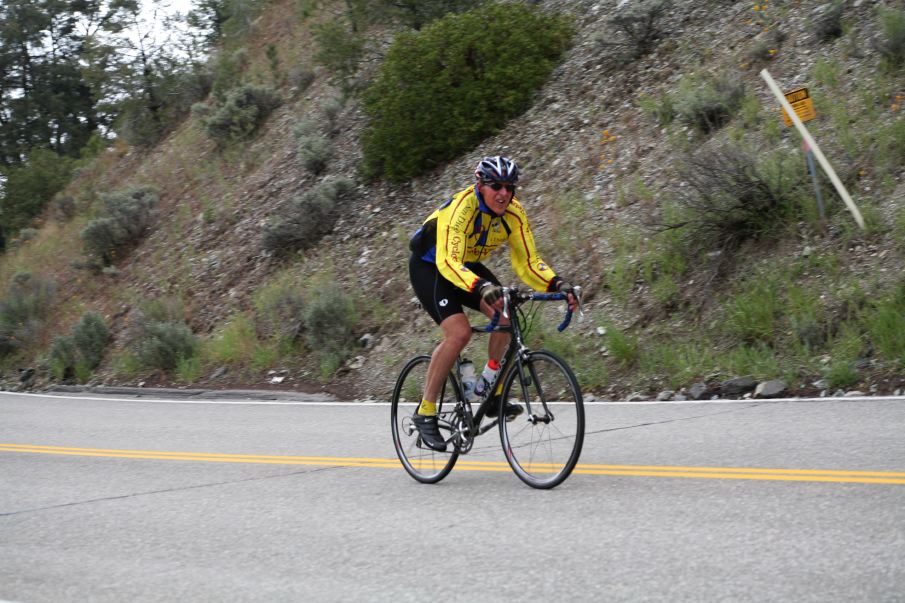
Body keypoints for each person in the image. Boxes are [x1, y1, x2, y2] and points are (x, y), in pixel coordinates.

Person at [408, 155, 578, 452]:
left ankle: (492, 390)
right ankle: (425, 412)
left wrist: (558, 284)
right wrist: (482, 286)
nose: (503, 193)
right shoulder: (462, 209)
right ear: (480, 185)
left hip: (466, 266)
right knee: (459, 333)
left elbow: (527, 261)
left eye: (509, 187)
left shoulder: (514, 214)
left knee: (506, 312)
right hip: (431, 267)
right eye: (496, 186)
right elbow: (447, 261)